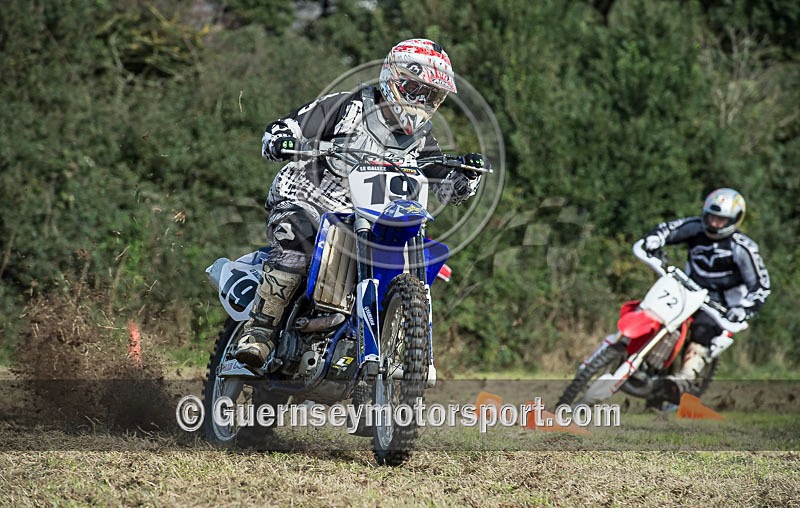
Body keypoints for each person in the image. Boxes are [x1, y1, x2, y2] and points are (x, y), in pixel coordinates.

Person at [234, 38, 489, 369]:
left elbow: (446, 185)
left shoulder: (423, 138)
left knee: (409, 254)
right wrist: (283, 138)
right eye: (416, 89)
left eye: (431, 95)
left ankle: (391, 350)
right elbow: (289, 126)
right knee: (295, 244)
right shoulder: (347, 105)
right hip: (310, 200)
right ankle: (259, 333)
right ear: (394, 79)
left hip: (370, 215)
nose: (423, 101)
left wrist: (466, 176)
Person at [641, 188, 770, 402]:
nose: (714, 223)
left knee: (702, 332)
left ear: (734, 220)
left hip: (720, 305)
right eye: (712, 217)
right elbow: (667, 230)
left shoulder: (743, 249)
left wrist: (744, 309)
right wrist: (653, 240)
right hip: (686, 290)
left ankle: (683, 380)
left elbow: (761, 286)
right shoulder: (695, 228)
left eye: (721, 220)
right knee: (656, 312)